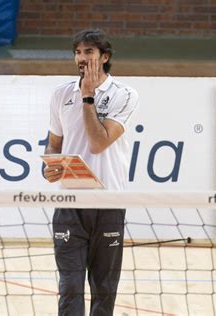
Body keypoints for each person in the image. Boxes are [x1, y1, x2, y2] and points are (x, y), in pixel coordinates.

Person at [43, 29, 139, 316]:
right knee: (70, 286)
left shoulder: (125, 95)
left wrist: (88, 97)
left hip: (108, 202)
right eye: (78, 52)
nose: (82, 58)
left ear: (104, 57)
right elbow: (54, 144)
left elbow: (98, 143)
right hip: (71, 204)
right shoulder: (61, 95)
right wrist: (49, 165)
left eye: (89, 52)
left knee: (104, 288)